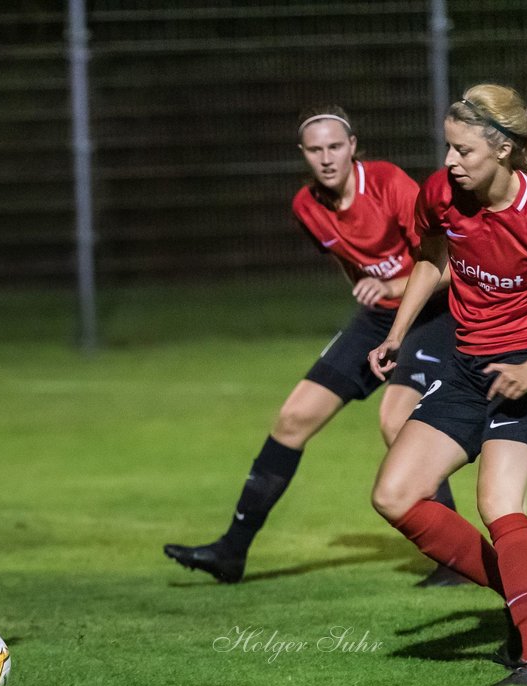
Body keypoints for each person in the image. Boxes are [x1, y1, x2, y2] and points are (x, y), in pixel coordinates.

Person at [368, 83, 527, 686]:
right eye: (447, 148)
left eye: (463, 151)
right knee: (395, 496)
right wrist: (398, 332)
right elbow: (430, 254)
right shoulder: (443, 193)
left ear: (502, 150)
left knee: (498, 503)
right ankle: (525, 599)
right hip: (465, 367)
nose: (450, 162)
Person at [164, 106, 462, 585]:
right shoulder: (308, 205)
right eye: (316, 149)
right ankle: (231, 552)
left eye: (335, 147)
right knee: (293, 418)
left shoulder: (387, 183)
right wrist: (375, 297)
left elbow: (447, 266)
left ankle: (456, 560)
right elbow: (353, 267)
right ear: (303, 155)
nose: (326, 158)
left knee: (396, 421)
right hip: (378, 318)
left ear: (352, 147)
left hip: (433, 312)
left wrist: (389, 289)